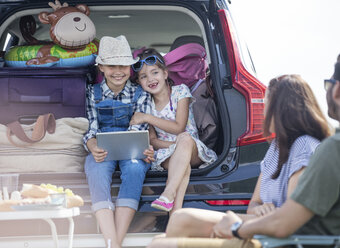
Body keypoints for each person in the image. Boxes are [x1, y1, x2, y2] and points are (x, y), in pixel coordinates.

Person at [147, 73, 333, 247]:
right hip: (262, 224)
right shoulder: (276, 149)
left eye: (266, 102)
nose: (263, 108)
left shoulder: (303, 146)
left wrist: (236, 226)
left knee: (160, 243)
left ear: (281, 108)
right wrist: (259, 209)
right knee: (180, 218)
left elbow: (289, 216)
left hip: (277, 237)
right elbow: (254, 204)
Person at [83, 35, 154, 248]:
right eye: (112, 65)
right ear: (101, 67)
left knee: (134, 169)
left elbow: (139, 129)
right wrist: (92, 146)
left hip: (132, 148)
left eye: (123, 65)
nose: (118, 71)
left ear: (130, 68)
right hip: (101, 147)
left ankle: (115, 242)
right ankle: (111, 241)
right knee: (95, 170)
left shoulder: (140, 93)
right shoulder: (91, 93)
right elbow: (90, 128)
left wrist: (142, 148)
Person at [129, 48, 217, 213]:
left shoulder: (180, 91)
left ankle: (168, 193)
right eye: (143, 76)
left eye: (155, 72)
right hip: (165, 153)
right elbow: (153, 141)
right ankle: (173, 214)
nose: (150, 79)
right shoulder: (144, 102)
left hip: (192, 149)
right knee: (183, 167)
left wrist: (147, 118)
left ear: (165, 74)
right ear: (139, 82)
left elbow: (179, 127)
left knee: (184, 138)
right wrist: (176, 148)